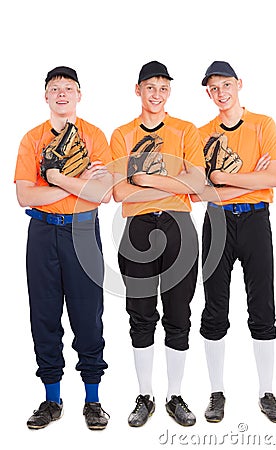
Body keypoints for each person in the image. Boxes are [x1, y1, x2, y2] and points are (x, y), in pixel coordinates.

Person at [14, 66, 113, 430]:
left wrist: (55, 180)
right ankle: (51, 399)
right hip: (41, 233)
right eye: (54, 88)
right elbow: (25, 195)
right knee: (44, 313)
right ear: (45, 96)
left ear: (78, 95)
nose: (61, 94)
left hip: (83, 231)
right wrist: (73, 183)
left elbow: (103, 193)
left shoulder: (95, 137)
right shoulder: (32, 139)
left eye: (68, 88)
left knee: (88, 314)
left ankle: (93, 400)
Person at [110, 61, 206, 427]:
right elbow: (119, 191)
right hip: (136, 229)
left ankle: (175, 395)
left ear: (170, 92)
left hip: (179, 226)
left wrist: (144, 178)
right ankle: (145, 395)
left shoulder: (186, 131)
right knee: (141, 312)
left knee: (179, 313)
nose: (156, 94)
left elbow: (197, 186)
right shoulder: (122, 134)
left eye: (163, 88)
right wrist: (172, 178)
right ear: (138, 90)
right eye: (149, 87)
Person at [196, 60, 276, 423]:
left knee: (262, 306)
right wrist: (252, 176)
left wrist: (221, 176)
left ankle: (266, 392)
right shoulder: (202, 133)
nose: (220, 93)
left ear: (239, 84)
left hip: (255, 220)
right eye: (213, 88)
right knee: (214, 308)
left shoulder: (262, 124)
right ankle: (216, 393)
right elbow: (201, 188)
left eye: (226, 85)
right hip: (217, 222)